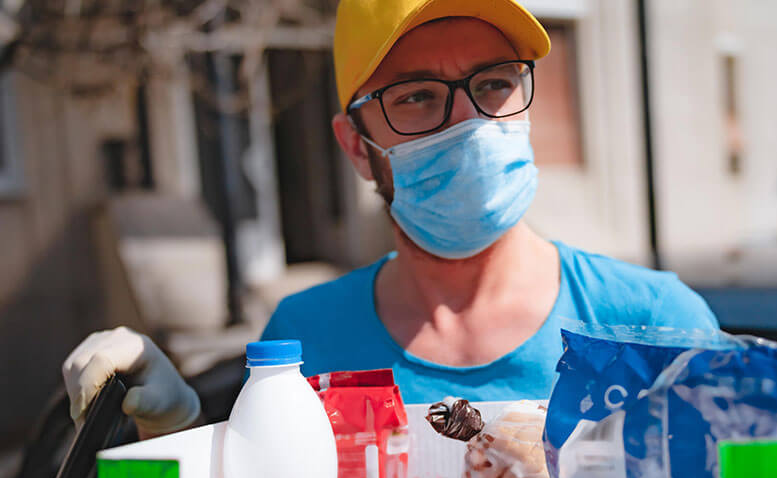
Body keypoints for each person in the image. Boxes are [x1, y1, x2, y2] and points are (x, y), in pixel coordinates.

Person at [62, 0, 718, 434]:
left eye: (493, 83)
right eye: (418, 97)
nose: (468, 122)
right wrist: (179, 441)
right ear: (356, 145)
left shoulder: (656, 327)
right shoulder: (303, 347)